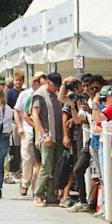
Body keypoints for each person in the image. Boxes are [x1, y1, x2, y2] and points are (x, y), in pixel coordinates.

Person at [30, 73, 64, 207]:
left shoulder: (56, 94)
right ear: (48, 83)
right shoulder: (40, 94)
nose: (56, 89)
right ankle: (38, 194)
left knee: (55, 167)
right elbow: (35, 116)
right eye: (55, 86)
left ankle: (50, 195)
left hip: (58, 136)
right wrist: (43, 135)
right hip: (48, 136)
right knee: (46, 166)